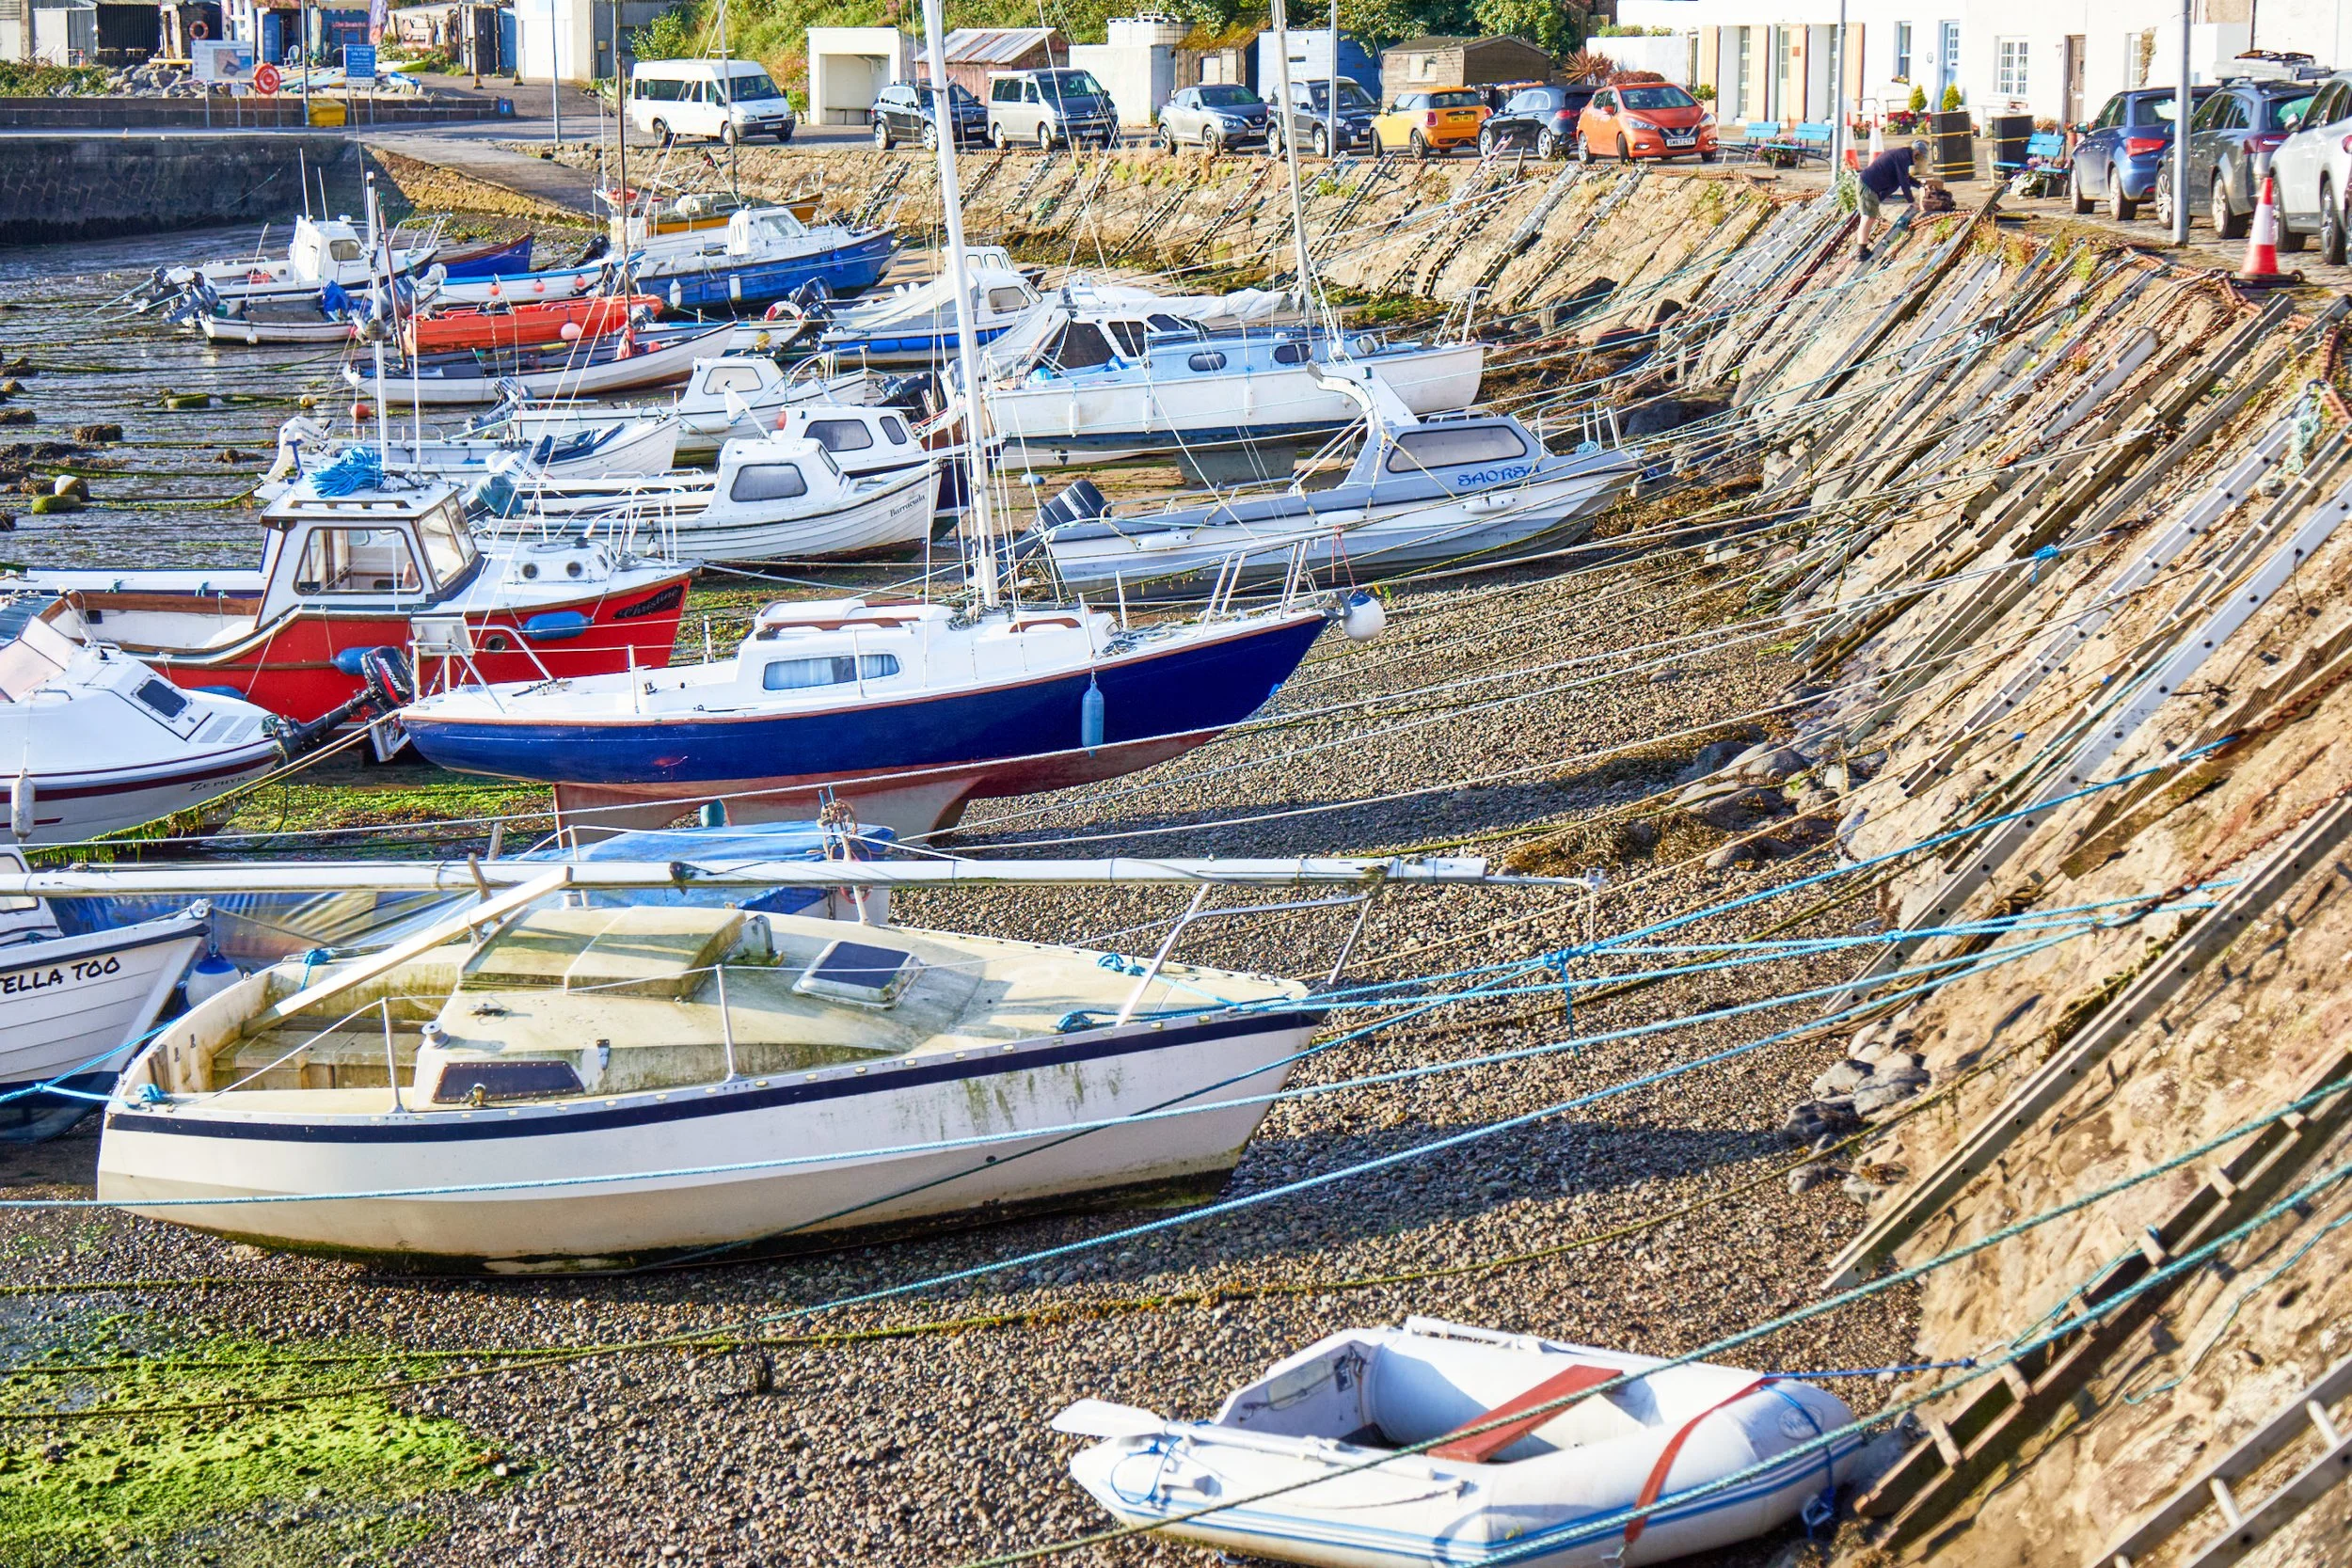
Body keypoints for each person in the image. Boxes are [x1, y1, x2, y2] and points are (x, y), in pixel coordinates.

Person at [1854, 139, 1926, 261]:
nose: (1917, 161)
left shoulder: (1902, 155)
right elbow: (1903, 181)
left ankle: (1862, 249)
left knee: (1869, 217)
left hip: (1870, 184)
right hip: (1868, 185)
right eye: (1919, 157)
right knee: (1868, 217)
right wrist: (1911, 201)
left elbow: (1905, 177)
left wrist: (1920, 185)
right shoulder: (1902, 157)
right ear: (1916, 152)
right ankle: (1861, 251)